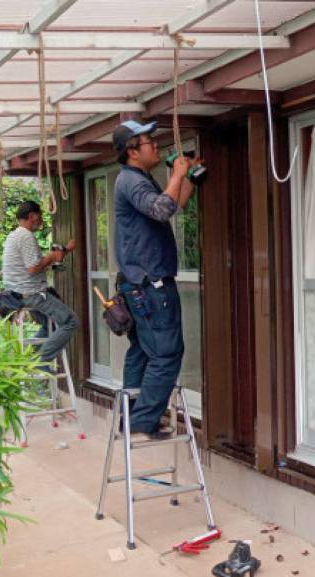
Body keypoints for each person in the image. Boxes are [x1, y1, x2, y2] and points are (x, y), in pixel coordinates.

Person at [111, 119, 199, 440]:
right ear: (133, 151)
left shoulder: (139, 179)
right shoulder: (131, 181)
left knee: (143, 352)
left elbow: (173, 205)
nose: (157, 146)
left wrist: (186, 178)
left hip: (139, 286)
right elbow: (162, 210)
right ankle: (143, 424)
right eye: (150, 142)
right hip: (150, 287)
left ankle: (129, 418)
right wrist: (175, 174)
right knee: (166, 355)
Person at [1, 200, 78, 366]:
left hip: (17, 295)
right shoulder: (26, 236)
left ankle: (31, 358)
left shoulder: (14, 235)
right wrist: (51, 257)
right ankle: (40, 362)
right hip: (31, 295)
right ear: (31, 216)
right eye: (40, 216)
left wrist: (61, 252)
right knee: (71, 321)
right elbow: (34, 268)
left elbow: (33, 265)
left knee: (50, 324)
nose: (41, 220)